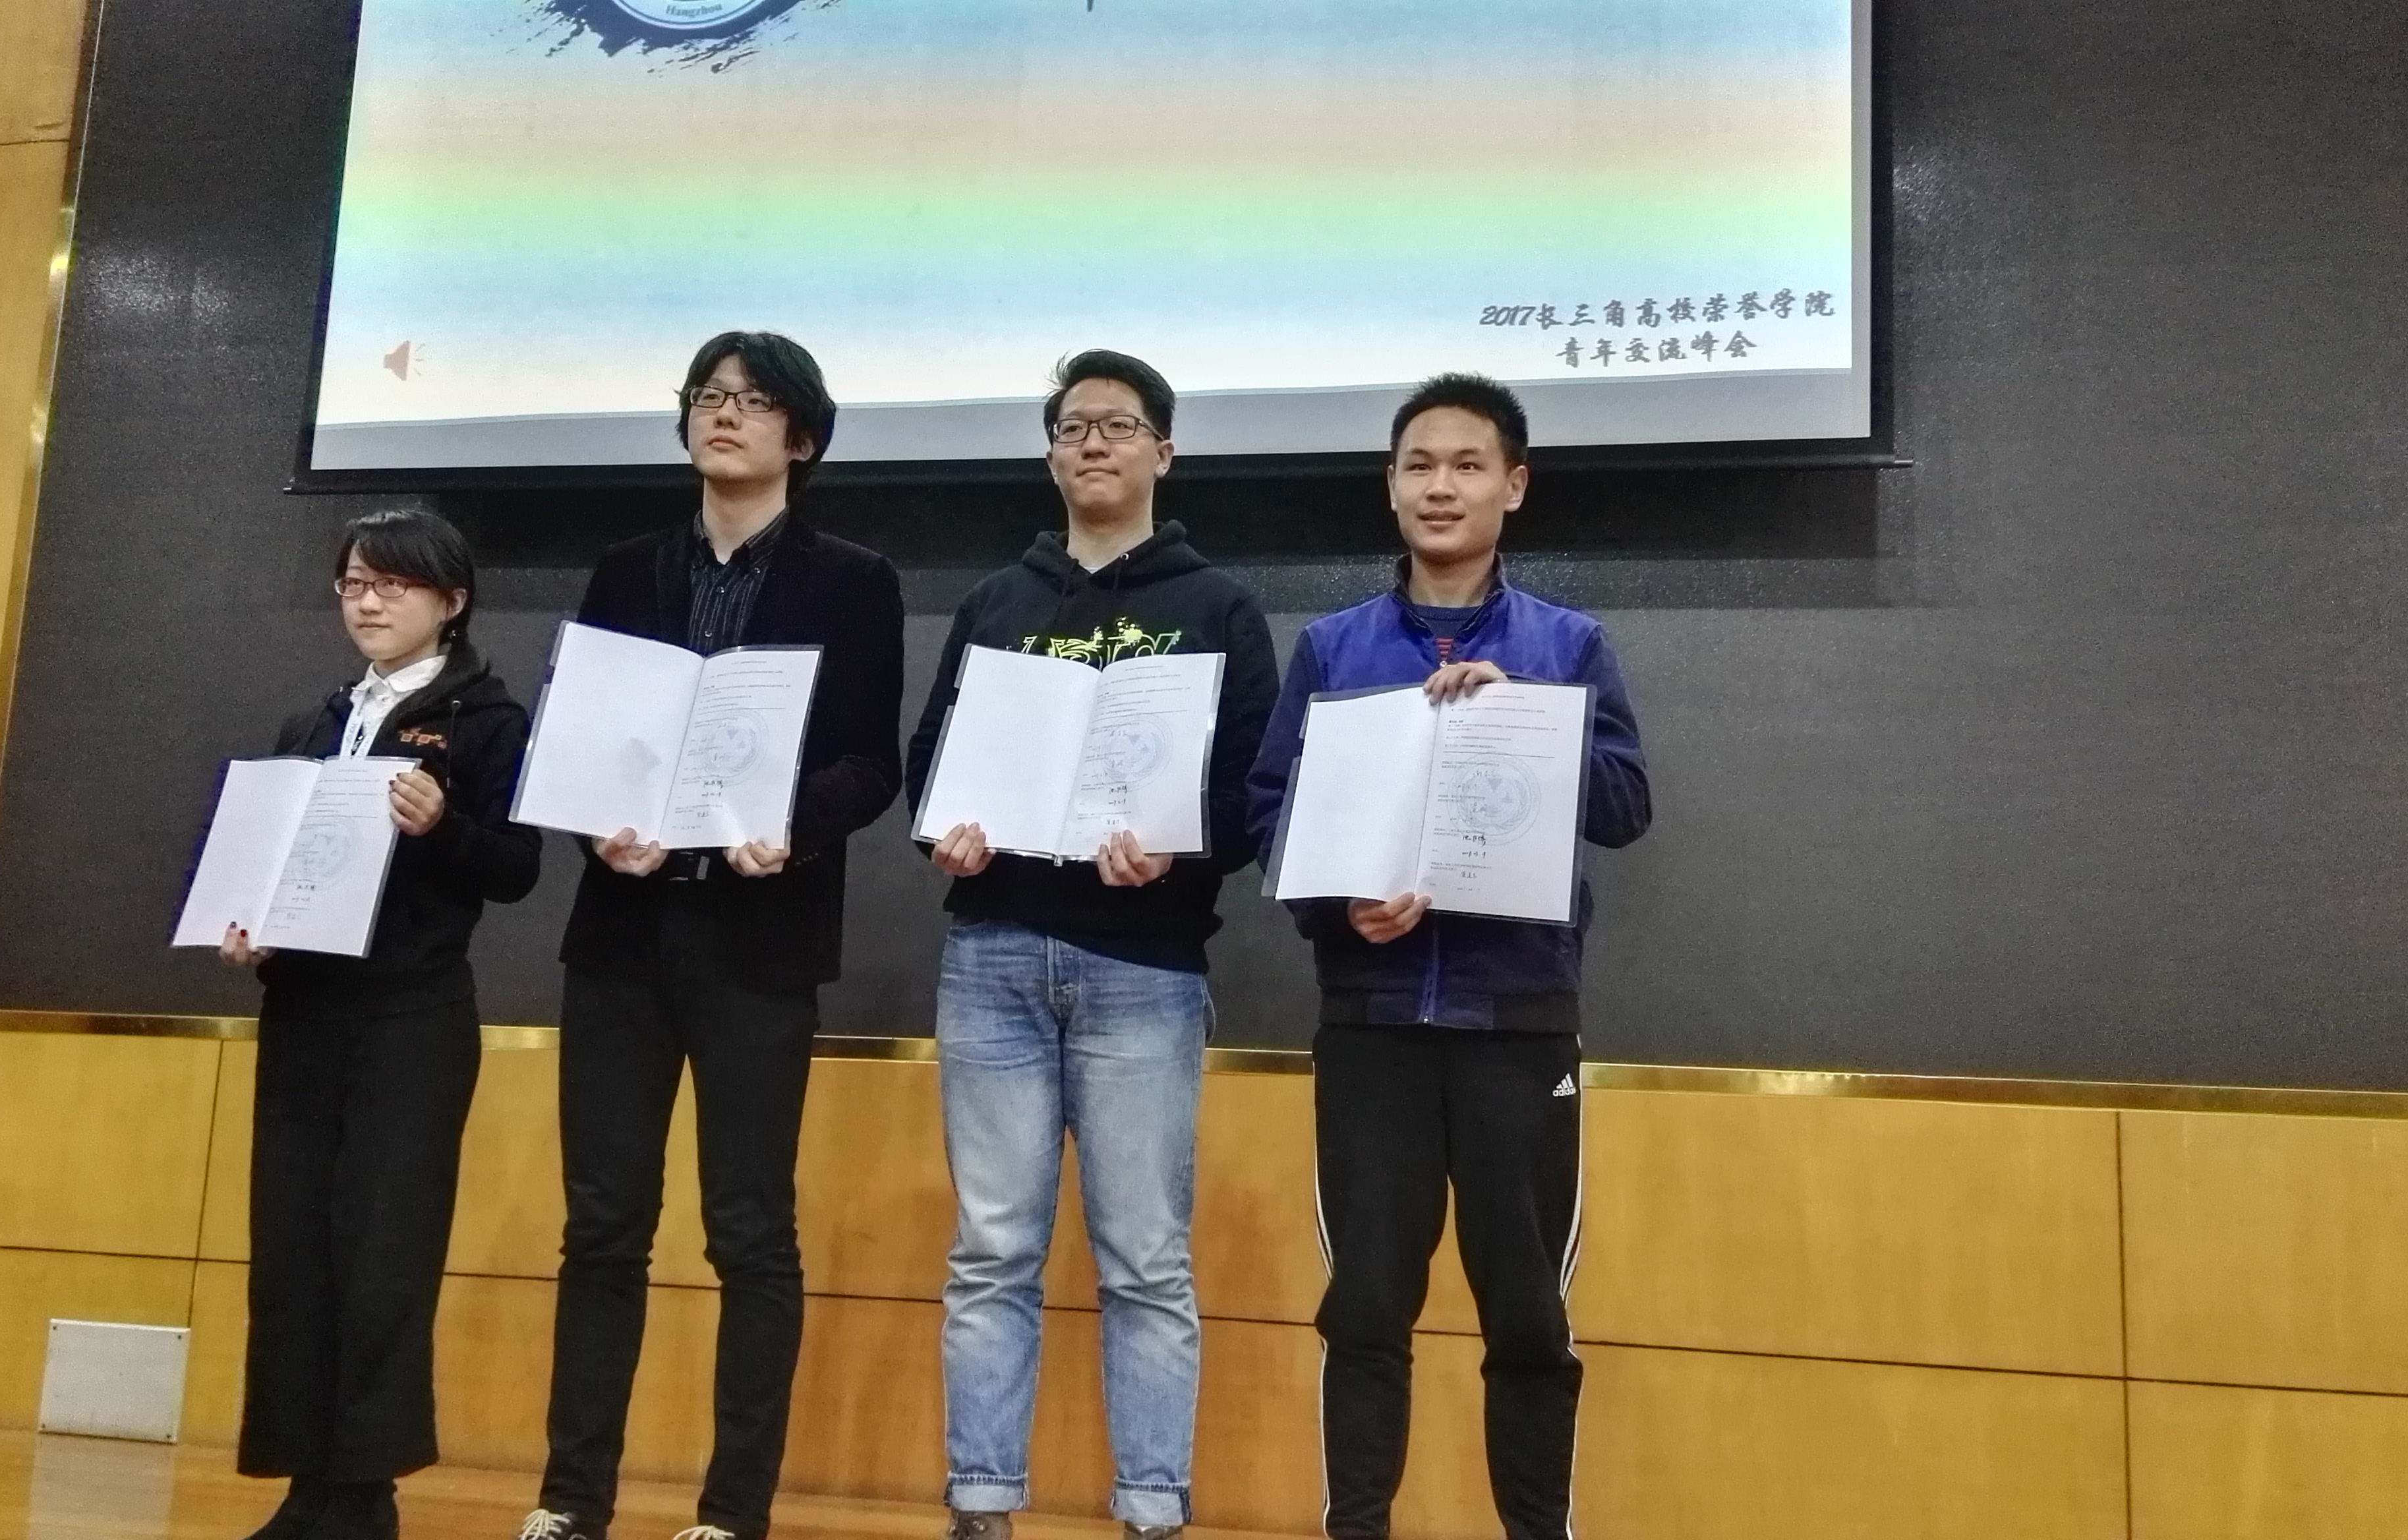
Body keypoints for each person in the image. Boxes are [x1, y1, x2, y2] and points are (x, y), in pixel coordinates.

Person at [1244, 374, 1651, 1540]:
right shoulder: (1335, 648)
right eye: (1419, 464)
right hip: (1371, 1026)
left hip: (1519, 1026)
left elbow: (1626, 807)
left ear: (1513, 486)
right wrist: (1340, 913)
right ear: (1390, 485)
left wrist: (1526, 717)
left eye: (1468, 465)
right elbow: (1273, 815)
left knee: (1527, 1316)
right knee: (1367, 1309)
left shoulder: (1567, 645)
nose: (1441, 486)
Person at [513, 332, 906, 1540]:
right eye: (708, 397)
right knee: (602, 1225)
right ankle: (571, 1501)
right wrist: (598, 830)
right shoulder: (627, 569)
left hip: (759, 936)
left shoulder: (853, 580)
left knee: (748, 1228)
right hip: (622, 934)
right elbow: (580, 740)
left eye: (754, 400)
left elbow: (871, 764)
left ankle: (733, 1512)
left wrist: (791, 825)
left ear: (804, 435)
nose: (724, 415)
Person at [906, 350, 1279, 1540]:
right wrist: (949, 833)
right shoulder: (997, 603)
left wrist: (1179, 851)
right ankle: (981, 1505)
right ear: (1051, 454)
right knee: (991, 1250)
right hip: (994, 956)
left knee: (1146, 1260)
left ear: (1163, 451)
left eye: (1119, 427)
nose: (1094, 445)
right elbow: (930, 766)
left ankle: (1153, 1508)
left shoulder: (1216, 608)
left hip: (1144, 970)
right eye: (1073, 428)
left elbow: (1254, 792)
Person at [223, 508, 544, 1540]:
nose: (367, 602)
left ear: (451, 602)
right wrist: (254, 929)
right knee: (292, 1251)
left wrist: (442, 826)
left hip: (411, 1018)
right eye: (354, 584)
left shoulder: (489, 721)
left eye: (392, 585)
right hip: (304, 1014)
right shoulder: (317, 721)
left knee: (383, 1257)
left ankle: (364, 1494)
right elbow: (282, 864)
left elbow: (518, 869)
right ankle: (305, 1485)